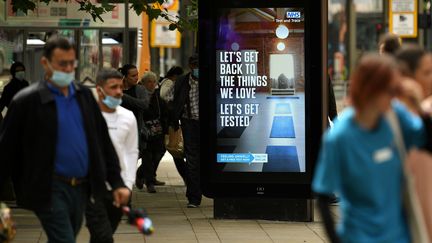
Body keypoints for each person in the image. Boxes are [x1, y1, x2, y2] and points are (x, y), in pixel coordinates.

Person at [0, 38, 130, 243]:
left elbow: (103, 143)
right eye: (62, 64)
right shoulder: (27, 101)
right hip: (49, 188)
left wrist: (117, 183)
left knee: (65, 235)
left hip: (81, 188)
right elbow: (6, 151)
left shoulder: (84, 97)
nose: (68, 69)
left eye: (72, 63)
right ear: (46, 63)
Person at [313, 54, 427, 242]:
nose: (394, 97)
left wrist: (418, 107)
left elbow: (426, 141)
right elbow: (323, 195)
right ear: (371, 90)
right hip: (359, 236)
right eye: (390, 91)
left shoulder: (395, 115)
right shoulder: (340, 138)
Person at [85, 68, 139, 243]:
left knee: (105, 231)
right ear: (99, 90)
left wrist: (128, 184)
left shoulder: (128, 117)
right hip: (93, 188)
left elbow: (132, 152)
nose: (118, 92)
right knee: (104, 236)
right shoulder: (87, 116)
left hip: (119, 187)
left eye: (120, 87)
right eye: (113, 87)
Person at [173, 54, 202, 208]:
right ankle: (193, 197)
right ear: (190, 66)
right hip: (189, 123)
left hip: (206, 125)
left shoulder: (210, 79)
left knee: (206, 159)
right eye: (194, 65)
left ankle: (204, 188)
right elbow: (170, 97)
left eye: (199, 64)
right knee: (192, 161)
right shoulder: (183, 81)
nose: (196, 67)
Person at [135, 71, 168, 193]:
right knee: (147, 156)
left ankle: (140, 174)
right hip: (144, 131)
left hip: (157, 130)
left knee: (158, 153)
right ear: (143, 83)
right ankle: (149, 182)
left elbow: (164, 111)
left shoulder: (157, 96)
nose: (152, 84)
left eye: (154, 82)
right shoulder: (139, 94)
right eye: (149, 81)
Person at [160, 66, 188, 182]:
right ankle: (187, 178)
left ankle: (145, 176)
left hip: (170, 121)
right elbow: (164, 96)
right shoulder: (169, 83)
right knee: (175, 152)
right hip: (170, 121)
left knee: (170, 151)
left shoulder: (170, 82)